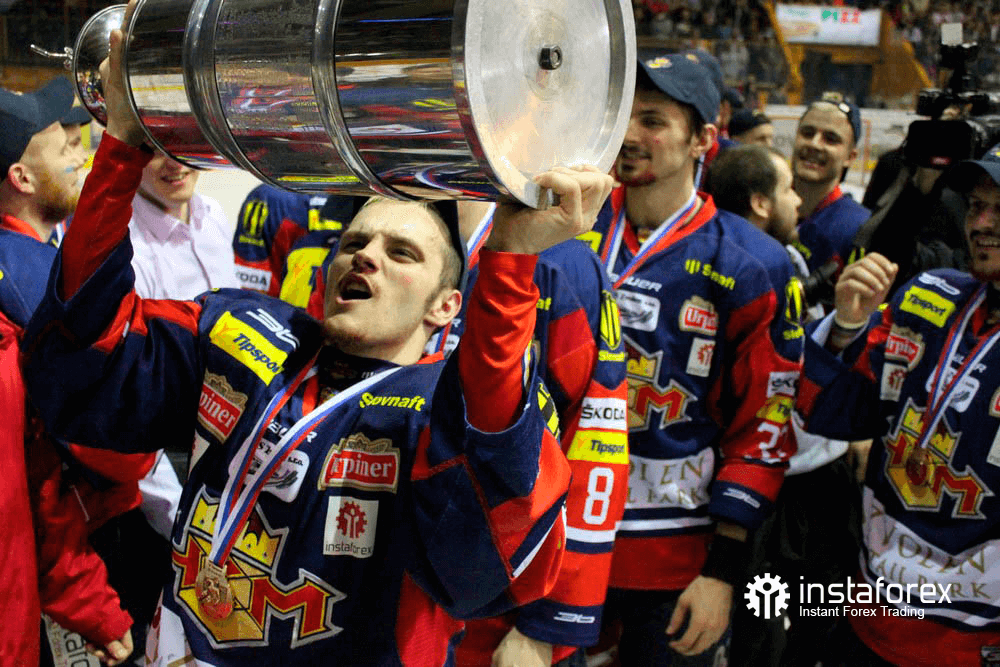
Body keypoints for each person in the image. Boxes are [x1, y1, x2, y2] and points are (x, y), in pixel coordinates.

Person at [21, 7, 611, 663]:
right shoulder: (243, 334)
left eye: (401, 253)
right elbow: (85, 343)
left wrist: (508, 260)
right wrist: (125, 143)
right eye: (354, 243)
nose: (367, 257)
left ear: (447, 306)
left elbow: (498, 503)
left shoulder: (437, 413)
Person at [585, 51, 803, 666]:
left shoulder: (752, 263)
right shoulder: (567, 229)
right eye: (623, 116)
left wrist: (723, 573)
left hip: (677, 560)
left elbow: (765, 423)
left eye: (653, 121)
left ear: (703, 139)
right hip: (561, 541)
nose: (629, 135)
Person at [796, 143, 1000, 666]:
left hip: (970, 644)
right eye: (977, 207)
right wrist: (846, 326)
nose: (981, 224)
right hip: (868, 615)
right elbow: (832, 413)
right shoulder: (927, 296)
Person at [425, 206, 629, 666]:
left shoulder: (564, 264)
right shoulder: (373, 239)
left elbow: (598, 441)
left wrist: (549, 625)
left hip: (505, 615)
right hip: (386, 598)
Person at [0, 76, 144, 666]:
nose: (74, 143)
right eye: (55, 136)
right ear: (21, 178)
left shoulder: (32, 269)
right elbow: (112, 442)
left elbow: (30, 480)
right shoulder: (26, 285)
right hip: (99, 525)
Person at [710, 143, 864, 666]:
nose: (798, 201)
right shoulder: (741, 272)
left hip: (815, 476)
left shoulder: (787, 257)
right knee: (764, 625)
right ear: (760, 203)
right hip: (767, 484)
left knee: (820, 610)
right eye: (787, 190)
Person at [790, 97, 870, 310]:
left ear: (850, 157)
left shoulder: (859, 229)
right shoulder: (762, 204)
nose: (814, 144)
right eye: (807, 133)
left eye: (831, 139)